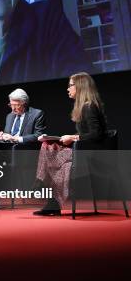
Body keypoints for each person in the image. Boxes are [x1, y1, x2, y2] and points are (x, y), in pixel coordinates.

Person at [34, 72, 107, 216]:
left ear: (81, 86)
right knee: (48, 145)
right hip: (84, 151)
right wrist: (68, 138)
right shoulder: (83, 107)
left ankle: (44, 186)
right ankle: (46, 190)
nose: (68, 89)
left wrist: (73, 138)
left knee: (59, 162)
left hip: (94, 155)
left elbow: (96, 134)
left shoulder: (89, 106)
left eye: (71, 85)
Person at [0, 88, 46, 208]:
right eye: (11, 105)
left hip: (24, 152)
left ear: (23, 103)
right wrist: (1, 136)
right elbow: (8, 136)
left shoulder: (37, 114)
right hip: (8, 151)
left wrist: (17, 138)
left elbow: (39, 136)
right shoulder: (10, 116)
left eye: (16, 105)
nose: (12, 108)